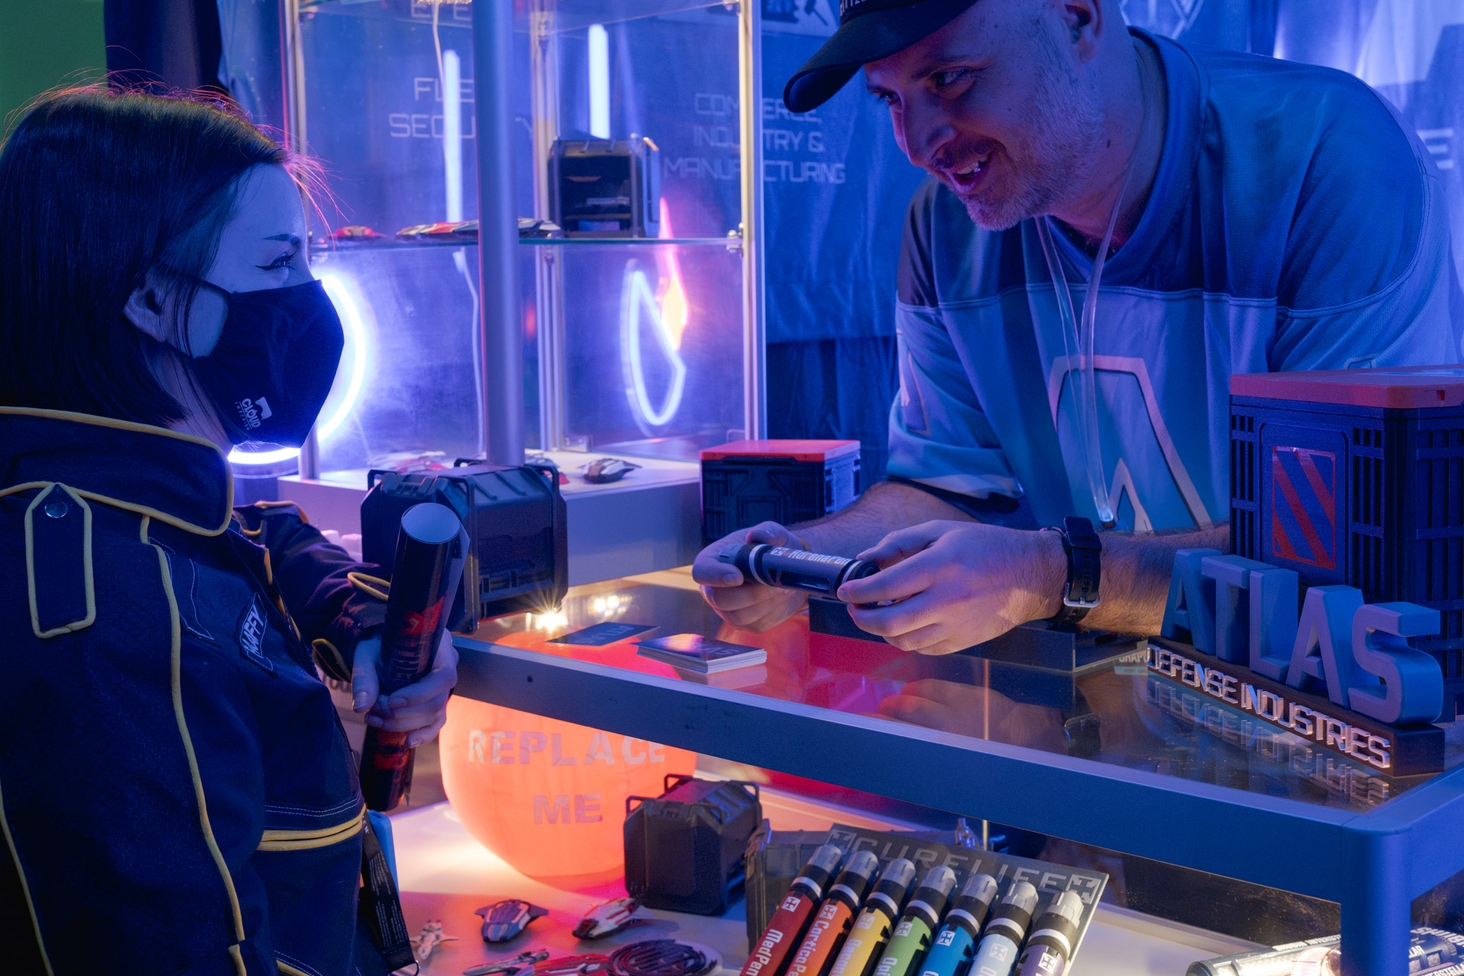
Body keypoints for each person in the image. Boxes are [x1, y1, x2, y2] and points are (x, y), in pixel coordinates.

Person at [695, 0, 1463, 652]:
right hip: (1107, 722)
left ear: (1078, 16)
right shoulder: (945, 230)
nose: (920, 144)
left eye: (949, 78)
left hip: (1339, 724)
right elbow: (948, 487)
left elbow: (1346, 558)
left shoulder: (1325, 158)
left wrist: (1051, 577)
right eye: (890, 99)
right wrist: (802, 556)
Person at [0, 88, 456, 975]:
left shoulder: (122, 510)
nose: (308, 299)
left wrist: (357, 618)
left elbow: (252, 533)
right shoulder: (102, 624)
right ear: (151, 297)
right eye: (279, 262)